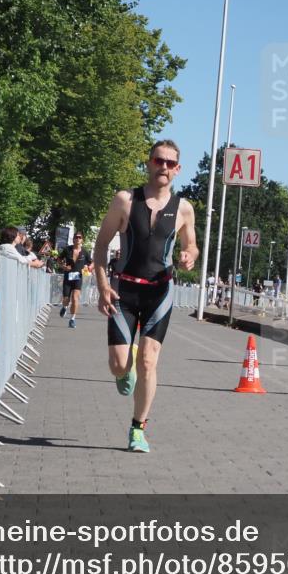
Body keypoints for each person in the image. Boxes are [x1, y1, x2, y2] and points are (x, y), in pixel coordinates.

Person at [94, 139, 198, 453]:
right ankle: (126, 366)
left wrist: (189, 255)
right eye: (158, 161)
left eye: (170, 163)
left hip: (160, 292)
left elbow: (191, 244)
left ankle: (138, 429)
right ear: (149, 162)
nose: (163, 167)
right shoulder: (125, 200)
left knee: (149, 362)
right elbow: (100, 247)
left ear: (177, 169)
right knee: (118, 365)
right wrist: (102, 285)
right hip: (124, 291)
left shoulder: (183, 208)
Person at [59, 231, 92, 329]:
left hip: (78, 277)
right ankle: (65, 307)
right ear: (73, 239)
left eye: (80, 237)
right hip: (68, 277)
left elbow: (91, 263)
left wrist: (89, 268)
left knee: (75, 298)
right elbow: (59, 259)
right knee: (66, 299)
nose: (78, 239)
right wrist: (63, 266)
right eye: (76, 237)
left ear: (82, 240)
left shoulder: (85, 252)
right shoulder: (67, 249)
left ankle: (72, 319)